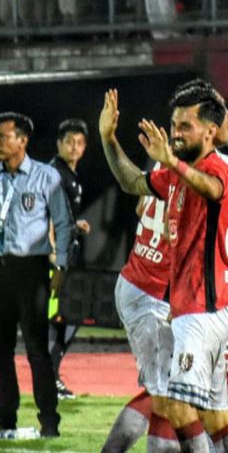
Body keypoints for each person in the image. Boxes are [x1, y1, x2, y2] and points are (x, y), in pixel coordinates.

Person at [99, 85, 228, 452]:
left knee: (173, 402)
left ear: (210, 130)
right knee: (213, 412)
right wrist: (107, 138)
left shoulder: (214, 168)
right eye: (173, 124)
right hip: (196, 304)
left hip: (198, 311)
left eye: (185, 125)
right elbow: (131, 182)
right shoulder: (172, 172)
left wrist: (171, 161)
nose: (175, 132)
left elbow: (212, 189)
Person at [0, 111, 73, 439]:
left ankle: (49, 421)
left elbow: (63, 224)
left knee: (37, 349)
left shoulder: (46, 177)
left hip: (31, 269)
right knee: (0, 349)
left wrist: (60, 265)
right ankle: (5, 421)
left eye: (2, 137)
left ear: (22, 140)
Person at [48, 118, 91, 400]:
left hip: (66, 256)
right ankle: (50, 378)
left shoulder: (69, 175)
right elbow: (45, 215)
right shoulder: (55, 175)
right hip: (57, 261)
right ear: (59, 144)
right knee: (62, 318)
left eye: (79, 142)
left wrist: (77, 226)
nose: (74, 147)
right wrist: (53, 255)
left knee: (66, 317)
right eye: (69, 142)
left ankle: (50, 376)